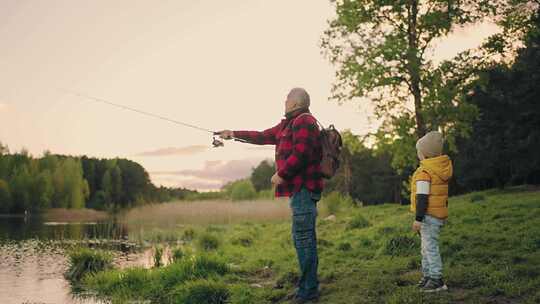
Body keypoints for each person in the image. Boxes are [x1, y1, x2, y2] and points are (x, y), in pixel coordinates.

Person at [217, 87, 323, 303]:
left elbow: (302, 153)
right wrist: (233, 134)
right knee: (302, 238)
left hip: (303, 188)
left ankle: (309, 291)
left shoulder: (305, 121)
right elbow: (262, 136)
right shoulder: (288, 124)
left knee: (303, 239)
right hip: (298, 190)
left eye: (286, 100)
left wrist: (282, 174)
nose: (284, 102)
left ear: (295, 103)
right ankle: (308, 286)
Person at [410, 131, 453, 292]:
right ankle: (428, 275)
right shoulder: (439, 170)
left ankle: (437, 279)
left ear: (424, 154)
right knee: (426, 247)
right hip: (436, 216)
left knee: (430, 247)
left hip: (428, 216)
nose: (418, 155)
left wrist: (418, 219)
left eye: (419, 152)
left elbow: (422, 197)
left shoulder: (424, 172)